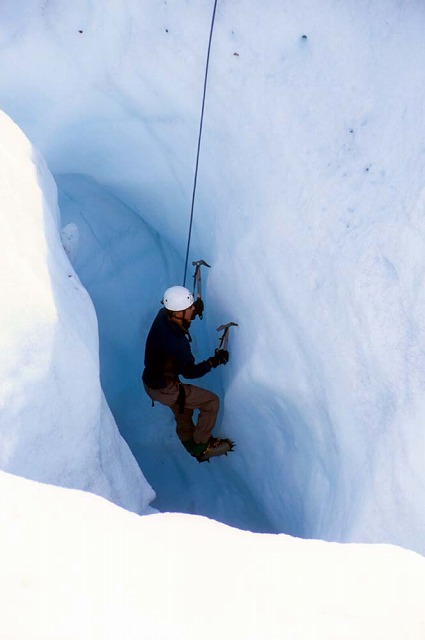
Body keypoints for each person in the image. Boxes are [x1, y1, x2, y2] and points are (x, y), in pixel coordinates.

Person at [142, 285, 231, 461]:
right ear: (178, 313)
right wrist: (214, 361)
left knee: (183, 409)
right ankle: (201, 446)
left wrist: (193, 308)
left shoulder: (163, 314)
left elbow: (177, 311)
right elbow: (190, 372)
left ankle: (188, 441)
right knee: (211, 402)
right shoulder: (176, 342)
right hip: (166, 388)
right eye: (189, 308)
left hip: (151, 382)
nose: (192, 309)